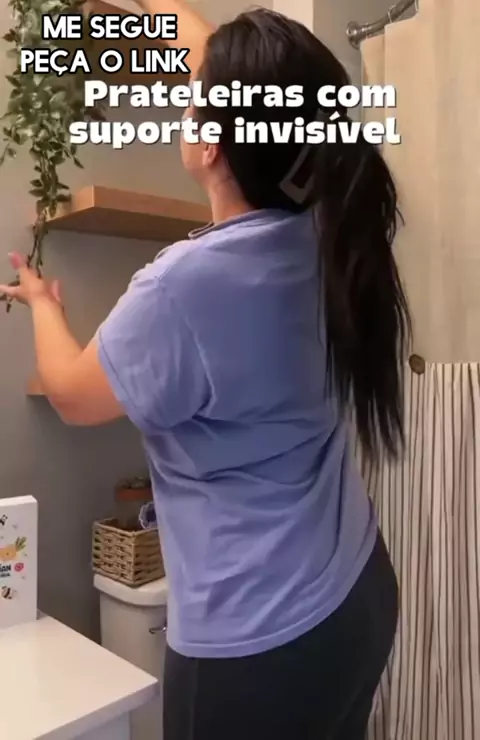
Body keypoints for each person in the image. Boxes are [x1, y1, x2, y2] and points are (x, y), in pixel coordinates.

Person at [0, 5, 411, 739]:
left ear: (216, 143)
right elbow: (222, 61)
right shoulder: (325, 237)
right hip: (357, 593)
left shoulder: (184, 286)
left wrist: (42, 303)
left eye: (194, 97)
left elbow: (71, 396)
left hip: (258, 650)